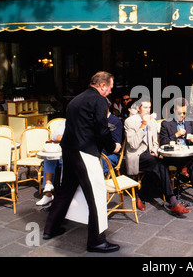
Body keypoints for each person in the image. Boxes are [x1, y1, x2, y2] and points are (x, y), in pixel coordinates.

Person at [43, 71, 120, 253]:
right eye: (109, 87)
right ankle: (97, 241)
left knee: (65, 190)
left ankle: (50, 229)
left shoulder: (75, 100)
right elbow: (101, 130)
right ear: (102, 86)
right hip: (85, 152)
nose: (110, 91)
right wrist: (112, 147)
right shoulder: (99, 101)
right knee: (97, 195)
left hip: (68, 151)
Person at [124, 97, 190, 215]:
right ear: (139, 109)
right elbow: (133, 144)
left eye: (149, 107)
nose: (147, 110)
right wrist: (143, 126)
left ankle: (142, 195)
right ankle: (173, 201)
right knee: (158, 164)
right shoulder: (130, 121)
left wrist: (154, 151)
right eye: (145, 107)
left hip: (151, 156)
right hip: (137, 155)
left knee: (159, 165)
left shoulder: (153, 122)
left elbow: (155, 143)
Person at [159, 97, 193, 210]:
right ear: (174, 111)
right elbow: (163, 143)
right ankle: (172, 199)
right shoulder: (166, 124)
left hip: (188, 156)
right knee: (162, 164)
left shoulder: (191, 122)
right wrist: (175, 135)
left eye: (185, 113)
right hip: (173, 157)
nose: (182, 115)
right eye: (180, 113)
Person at [35, 119, 65, 206]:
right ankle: (48, 190)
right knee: (49, 158)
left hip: (73, 154)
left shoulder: (82, 122)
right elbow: (56, 136)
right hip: (62, 150)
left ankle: (60, 194)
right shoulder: (64, 123)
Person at [102, 108, 123, 175]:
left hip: (110, 155)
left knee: (96, 164)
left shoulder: (115, 121)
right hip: (98, 153)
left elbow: (116, 146)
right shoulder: (95, 119)